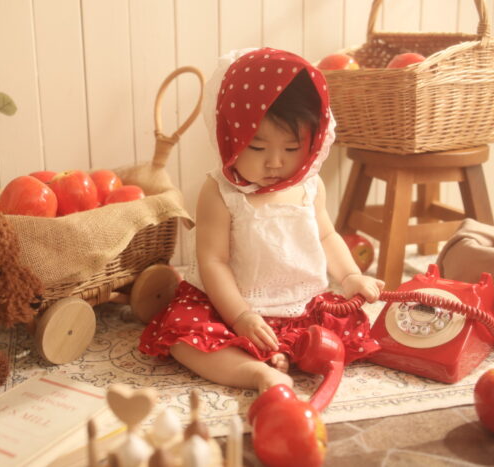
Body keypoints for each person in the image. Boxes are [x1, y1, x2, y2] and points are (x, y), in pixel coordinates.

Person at [139, 48, 384, 393]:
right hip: (230, 304)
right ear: (230, 138)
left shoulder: (310, 186)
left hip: (300, 305)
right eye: (257, 148)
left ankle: (285, 350)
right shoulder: (221, 192)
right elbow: (213, 261)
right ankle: (258, 373)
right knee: (182, 336)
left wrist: (350, 276)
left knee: (345, 329)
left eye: (291, 149)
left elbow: (326, 235)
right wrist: (241, 317)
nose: (275, 163)